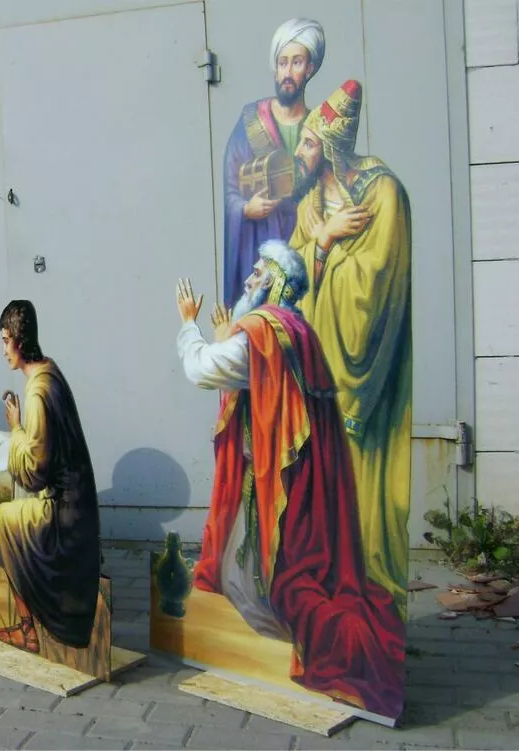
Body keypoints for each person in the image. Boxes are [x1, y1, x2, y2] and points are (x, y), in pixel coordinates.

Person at [174, 240, 405, 720]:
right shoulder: (298, 330)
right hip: (301, 478)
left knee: (266, 576)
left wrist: (188, 326)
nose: (248, 279)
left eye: (258, 272)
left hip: (273, 483)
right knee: (251, 568)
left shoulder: (262, 331)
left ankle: (273, 642)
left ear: (276, 282)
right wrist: (224, 337)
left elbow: (203, 371)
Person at [289, 79, 412, 612]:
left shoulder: (383, 195)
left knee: (361, 486)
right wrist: (322, 240)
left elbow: (377, 282)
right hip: (316, 374)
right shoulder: (311, 206)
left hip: (363, 376)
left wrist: (330, 247)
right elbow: (288, 280)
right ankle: (323, 580)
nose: (300, 151)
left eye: (308, 142)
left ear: (331, 148)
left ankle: (363, 586)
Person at [0, 300, 101, 654]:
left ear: (20, 340)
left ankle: (28, 630)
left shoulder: (37, 392)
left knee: (3, 521)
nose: (3, 349)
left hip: (63, 517)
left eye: (6, 340)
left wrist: (16, 429)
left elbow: (34, 473)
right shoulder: (49, 370)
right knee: (13, 514)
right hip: (77, 505)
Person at [222, 18, 325, 308]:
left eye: (296, 62)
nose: (287, 73)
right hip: (258, 249)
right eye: (282, 63)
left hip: (304, 248)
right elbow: (230, 189)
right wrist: (246, 209)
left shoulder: (318, 128)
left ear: (310, 68)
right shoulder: (251, 122)